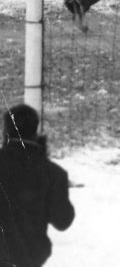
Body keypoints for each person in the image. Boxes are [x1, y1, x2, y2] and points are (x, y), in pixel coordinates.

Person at [0, 104, 74, 267]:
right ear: (36, 129)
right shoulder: (54, 173)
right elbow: (63, 221)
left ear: (6, 130)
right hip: (30, 259)